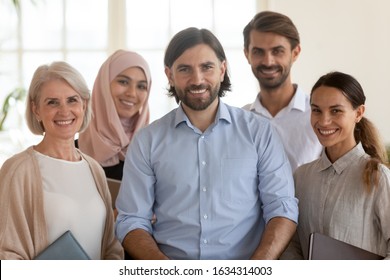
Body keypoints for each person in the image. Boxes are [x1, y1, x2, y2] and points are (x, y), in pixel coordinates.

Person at [115, 27, 298, 260]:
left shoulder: (259, 132)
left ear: (222, 70)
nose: (197, 79)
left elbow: (281, 207)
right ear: (169, 75)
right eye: (185, 69)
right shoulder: (147, 141)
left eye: (206, 67)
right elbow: (131, 219)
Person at [0, 61, 123, 260]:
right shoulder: (17, 170)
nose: (64, 111)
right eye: (52, 102)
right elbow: (6, 253)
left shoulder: (94, 169)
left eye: (72, 100)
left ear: (84, 105)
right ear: (36, 109)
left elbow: (110, 246)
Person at [283, 71, 390, 259]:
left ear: (358, 113)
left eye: (336, 111)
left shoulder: (378, 177)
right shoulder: (301, 177)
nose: (324, 121)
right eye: (316, 110)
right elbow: (292, 242)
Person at [242, 11, 322, 172]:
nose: (268, 61)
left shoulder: (319, 116)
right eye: (258, 51)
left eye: (277, 51)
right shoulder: (240, 121)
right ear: (247, 54)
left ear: (295, 53)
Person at [77, 50, 152, 180]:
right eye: (123, 82)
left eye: (141, 86)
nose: (132, 93)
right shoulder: (71, 153)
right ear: (104, 85)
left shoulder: (154, 150)